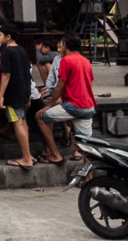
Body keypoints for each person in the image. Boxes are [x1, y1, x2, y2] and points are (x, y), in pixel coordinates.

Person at [36, 33, 98, 164]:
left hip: (73, 105)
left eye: (61, 44)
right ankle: (88, 178)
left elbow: (59, 86)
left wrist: (50, 104)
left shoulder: (66, 60)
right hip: (88, 106)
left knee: (40, 117)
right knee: (86, 145)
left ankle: (54, 154)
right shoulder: (85, 61)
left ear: (65, 45)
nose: (59, 48)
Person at [0, 23, 35, 169]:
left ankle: (26, 158)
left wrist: (1, 95)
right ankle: (29, 154)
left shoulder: (6, 52)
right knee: (23, 121)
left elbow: (6, 74)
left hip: (13, 92)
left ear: (8, 37)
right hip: (24, 90)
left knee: (17, 122)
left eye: (0, 35)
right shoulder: (22, 51)